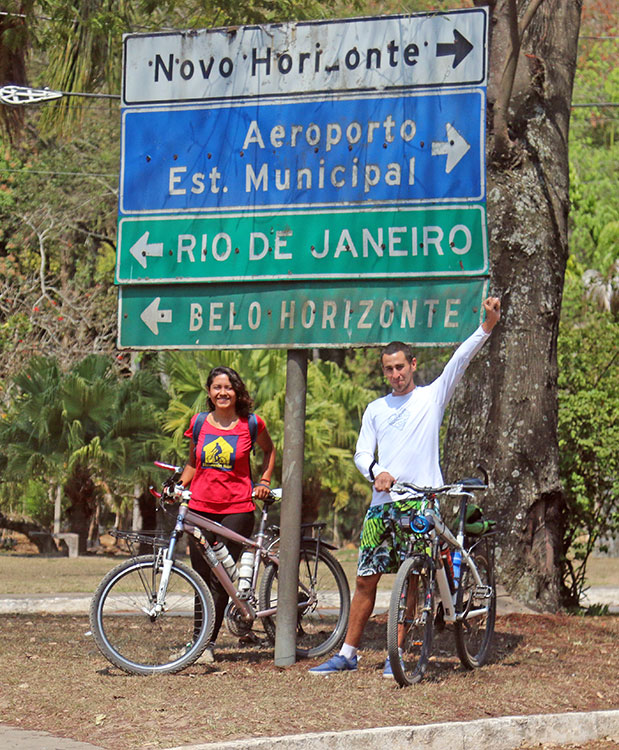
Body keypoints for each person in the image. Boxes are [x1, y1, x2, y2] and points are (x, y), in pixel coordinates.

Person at [309, 296, 501, 676]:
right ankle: (347, 653)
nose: (395, 374)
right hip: (383, 505)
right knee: (365, 578)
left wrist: (488, 325)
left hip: (421, 503)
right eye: (388, 369)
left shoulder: (431, 397)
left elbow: (460, 360)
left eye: (401, 367)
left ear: (412, 365)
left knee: (412, 576)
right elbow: (362, 453)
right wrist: (376, 470)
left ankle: (394, 655)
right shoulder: (376, 409)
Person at [178, 365, 276, 663]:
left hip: (237, 511)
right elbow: (194, 464)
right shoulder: (198, 424)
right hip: (199, 510)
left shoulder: (251, 424)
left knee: (221, 580)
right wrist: (177, 486)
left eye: (228, 387)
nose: (223, 392)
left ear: (237, 392)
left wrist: (264, 481)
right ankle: (201, 640)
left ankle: (204, 645)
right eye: (217, 387)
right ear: (209, 392)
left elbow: (270, 452)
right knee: (200, 578)